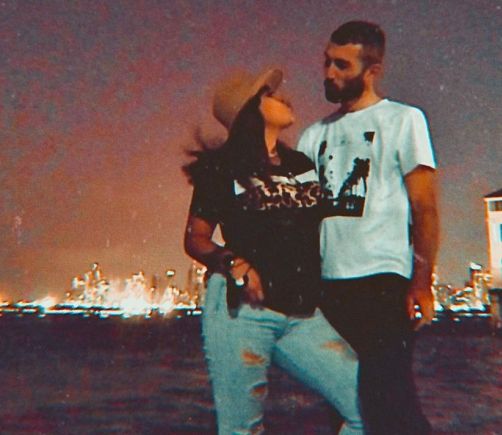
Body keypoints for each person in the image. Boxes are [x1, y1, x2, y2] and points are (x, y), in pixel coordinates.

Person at [184, 68, 364, 434]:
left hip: (302, 313)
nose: (284, 97)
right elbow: (195, 238)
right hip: (242, 311)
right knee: (242, 430)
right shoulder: (223, 168)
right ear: (249, 110)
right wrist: (232, 262)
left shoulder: (302, 165)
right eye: (269, 94)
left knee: (369, 408)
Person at [297, 21, 439, 435]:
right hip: (327, 287)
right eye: (327, 62)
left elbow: (425, 207)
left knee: (391, 403)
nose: (329, 73)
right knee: (342, 407)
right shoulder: (313, 136)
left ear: (372, 71)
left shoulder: (403, 120)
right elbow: (301, 217)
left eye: (342, 65)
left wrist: (421, 282)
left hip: (382, 281)